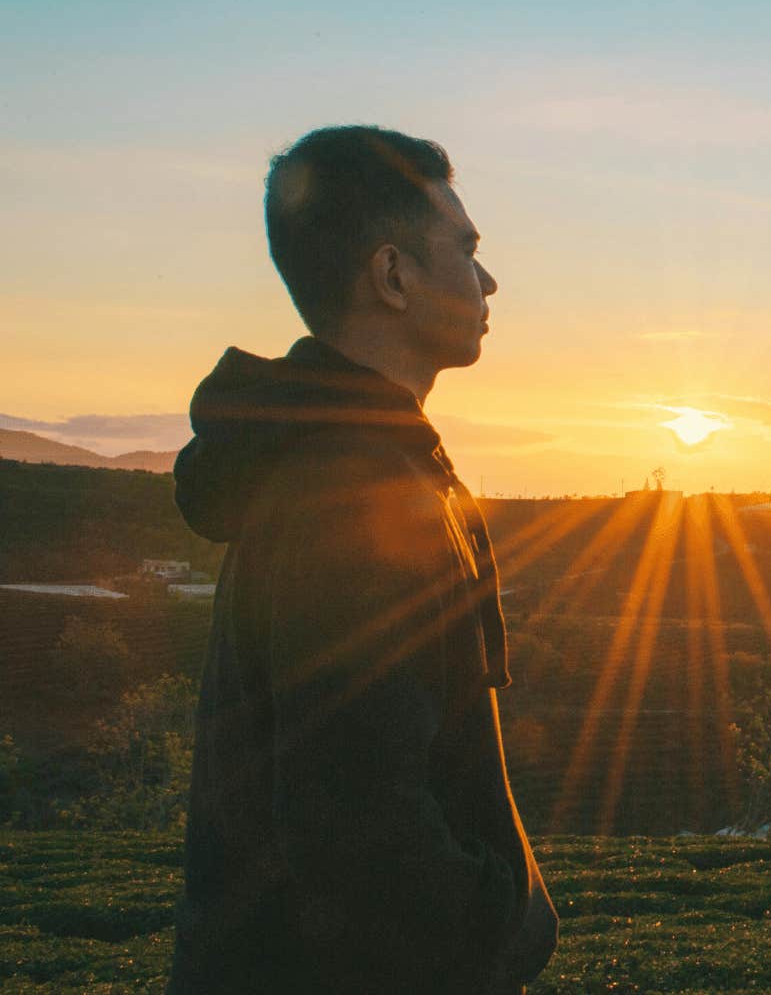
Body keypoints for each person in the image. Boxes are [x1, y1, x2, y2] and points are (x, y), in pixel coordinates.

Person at [168, 125, 557, 993]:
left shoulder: (353, 464)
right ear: (391, 275)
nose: (488, 279)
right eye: (465, 247)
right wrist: (510, 920)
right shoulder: (351, 500)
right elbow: (359, 830)